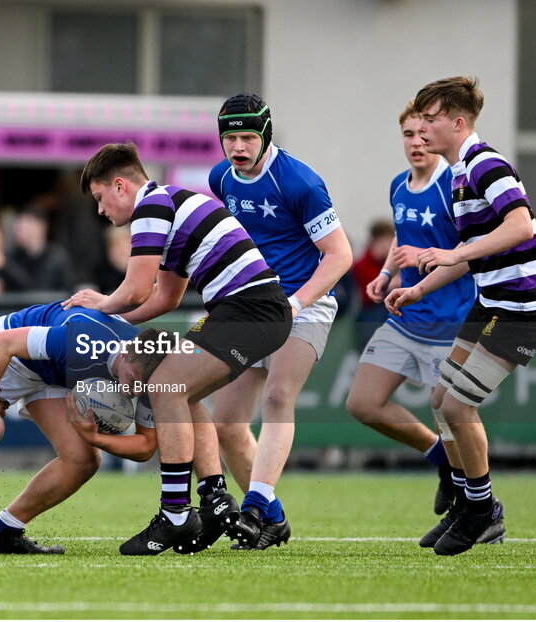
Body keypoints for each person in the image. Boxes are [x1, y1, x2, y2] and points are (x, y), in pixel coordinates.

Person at [66, 142, 290, 555]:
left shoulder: (151, 207)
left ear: (120, 185)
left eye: (100, 198)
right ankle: (213, 498)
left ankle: (174, 515)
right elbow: (164, 298)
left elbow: (134, 289)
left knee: (166, 384)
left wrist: (99, 306)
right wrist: (113, 322)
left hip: (249, 311)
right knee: (180, 392)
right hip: (241, 312)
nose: (100, 211)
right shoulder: (169, 203)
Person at [386, 76, 536, 555]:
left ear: (458, 123)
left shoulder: (486, 164)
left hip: (521, 308)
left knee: (459, 406)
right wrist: (418, 287)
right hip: (492, 303)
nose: (422, 128)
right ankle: (467, 502)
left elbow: (521, 225)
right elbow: (464, 252)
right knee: (441, 399)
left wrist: (450, 252)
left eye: (432, 119)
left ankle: (483, 512)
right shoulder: (460, 172)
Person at [205, 93, 352, 550]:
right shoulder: (220, 178)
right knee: (226, 422)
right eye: (230, 137)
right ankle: (271, 516)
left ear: (265, 135)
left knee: (278, 396)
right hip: (249, 307)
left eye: (248, 136)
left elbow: (339, 255)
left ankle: (253, 505)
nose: (238, 146)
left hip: (304, 304)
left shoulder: (301, 183)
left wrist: (296, 303)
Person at [0, 301, 161, 555]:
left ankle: (4, 532)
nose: (134, 392)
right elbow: (1, 343)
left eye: (142, 387)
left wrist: (95, 439)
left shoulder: (157, 373)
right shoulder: (83, 338)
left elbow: (146, 447)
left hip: (56, 376)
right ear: (124, 355)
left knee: (83, 459)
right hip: (12, 357)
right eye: (133, 381)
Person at [345, 101, 477, 517]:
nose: (417, 143)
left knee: (452, 415)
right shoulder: (399, 186)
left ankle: (475, 501)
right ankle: (439, 457)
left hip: (451, 321)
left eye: (424, 134)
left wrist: (429, 259)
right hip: (406, 316)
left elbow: (471, 251)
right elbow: (403, 242)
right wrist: (386, 275)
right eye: (408, 134)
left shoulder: (453, 184)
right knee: (362, 403)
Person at [351, 220, 395, 349]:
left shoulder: (392, 261)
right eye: (387, 240)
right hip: (371, 312)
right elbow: (376, 289)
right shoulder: (362, 264)